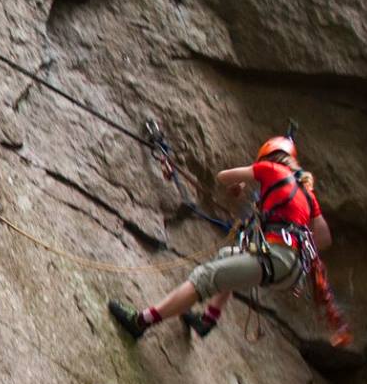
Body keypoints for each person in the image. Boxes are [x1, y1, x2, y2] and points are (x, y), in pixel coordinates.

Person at [109, 135, 344, 342]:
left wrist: (241, 184)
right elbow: (323, 239)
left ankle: (140, 322)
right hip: (291, 269)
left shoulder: (270, 170)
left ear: (270, 157)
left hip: (274, 257)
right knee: (227, 256)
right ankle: (207, 320)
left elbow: (223, 177)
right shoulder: (308, 194)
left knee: (204, 277)